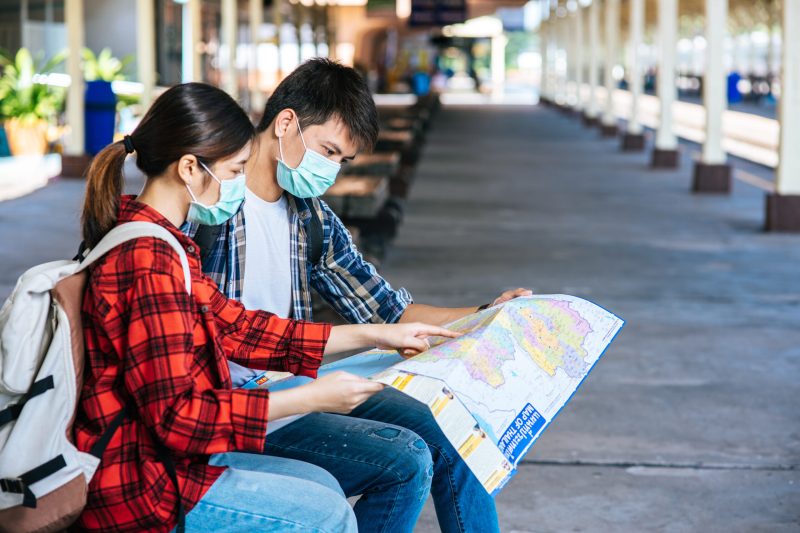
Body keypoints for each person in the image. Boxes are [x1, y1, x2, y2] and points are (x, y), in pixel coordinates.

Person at [74, 82, 457, 533]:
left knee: (324, 485)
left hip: (175, 460)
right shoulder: (149, 260)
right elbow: (178, 418)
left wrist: (377, 334)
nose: (243, 184)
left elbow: (241, 329)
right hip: (148, 484)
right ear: (191, 168)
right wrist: (308, 397)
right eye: (236, 171)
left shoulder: (168, 244)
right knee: (328, 512)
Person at [186, 58, 531, 533]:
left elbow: (389, 309)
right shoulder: (212, 205)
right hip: (234, 405)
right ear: (285, 122)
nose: (329, 170)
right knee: (404, 460)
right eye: (327, 151)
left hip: (291, 376)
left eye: (341, 161)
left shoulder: (311, 218)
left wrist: (484, 315)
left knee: (455, 428)